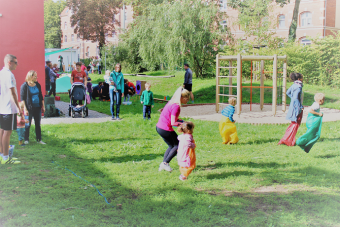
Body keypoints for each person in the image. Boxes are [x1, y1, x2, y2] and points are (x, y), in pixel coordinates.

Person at [156, 87, 190, 172]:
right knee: (178, 145)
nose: (187, 100)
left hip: (159, 127)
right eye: (187, 98)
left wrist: (181, 121)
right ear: (181, 97)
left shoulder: (171, 103)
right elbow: (173, 123)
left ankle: (164, 164)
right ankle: (165, 163)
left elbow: (173, 119)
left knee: (171, 145)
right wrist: (184, 124)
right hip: (165, 129)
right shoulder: (176, 107)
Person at [0, 54, 22, 164]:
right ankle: (5, 157)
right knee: (7, 132)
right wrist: (18, 107)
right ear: (10, 62)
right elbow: (12, 92)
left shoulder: (1, 73)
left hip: (2, 107)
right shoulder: (9, 75)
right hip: (9, 107)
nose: (17, 65)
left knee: (2, 131)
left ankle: (2, 154)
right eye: (16, 62)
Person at [278, 72, 304, 146]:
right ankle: (287, 140)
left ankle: (290, 140)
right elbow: (296, 98)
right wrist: (300, 106)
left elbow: (288, 92)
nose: (303, 79)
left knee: (293, 123)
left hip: (293, 106)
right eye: (302, 78)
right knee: (295, 124)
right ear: (299, 79)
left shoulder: (294, 85)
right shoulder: (298, 87)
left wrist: (292, 100)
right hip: (297, 108)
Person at [20, 70, 46, 145]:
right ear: (31, 77)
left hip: (37, 107)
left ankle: (39, 139)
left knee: (38, 124)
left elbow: (41, 96)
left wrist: (43, 106)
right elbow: (22, 98)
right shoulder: (24, 86)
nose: (36, 77)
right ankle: (26, 139)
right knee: (28, 124)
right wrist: (25, 109)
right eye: (35, 76)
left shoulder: (38, 85)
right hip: (29, 108)